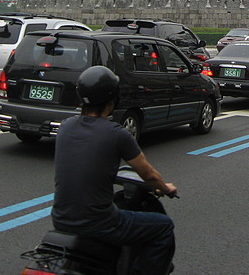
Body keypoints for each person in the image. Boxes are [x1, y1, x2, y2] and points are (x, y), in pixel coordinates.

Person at [51, 66, 177, 275]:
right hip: (100, 223)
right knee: (163, 226)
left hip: (61, 218)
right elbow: (148, 174)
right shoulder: (117, 134)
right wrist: (164, 188)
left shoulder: (65, 127)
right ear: (113, 98)